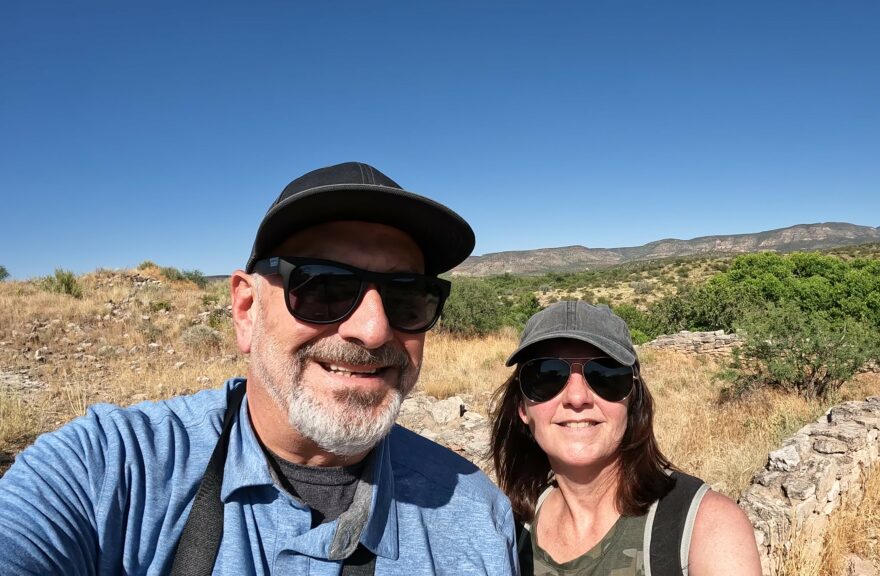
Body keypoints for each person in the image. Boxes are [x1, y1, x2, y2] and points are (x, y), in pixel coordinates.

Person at [0, 162, 518, 575]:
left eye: (408, 298)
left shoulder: (476, 517)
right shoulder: (109, 471)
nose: (374, 330)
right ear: (247, 311)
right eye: (323, 287)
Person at [491, 301, 761, 575]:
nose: (577, 398)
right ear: (523, 408)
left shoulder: (704, 528)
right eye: (546, 376)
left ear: (633, 400)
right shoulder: (507, 528)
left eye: (605, 375)